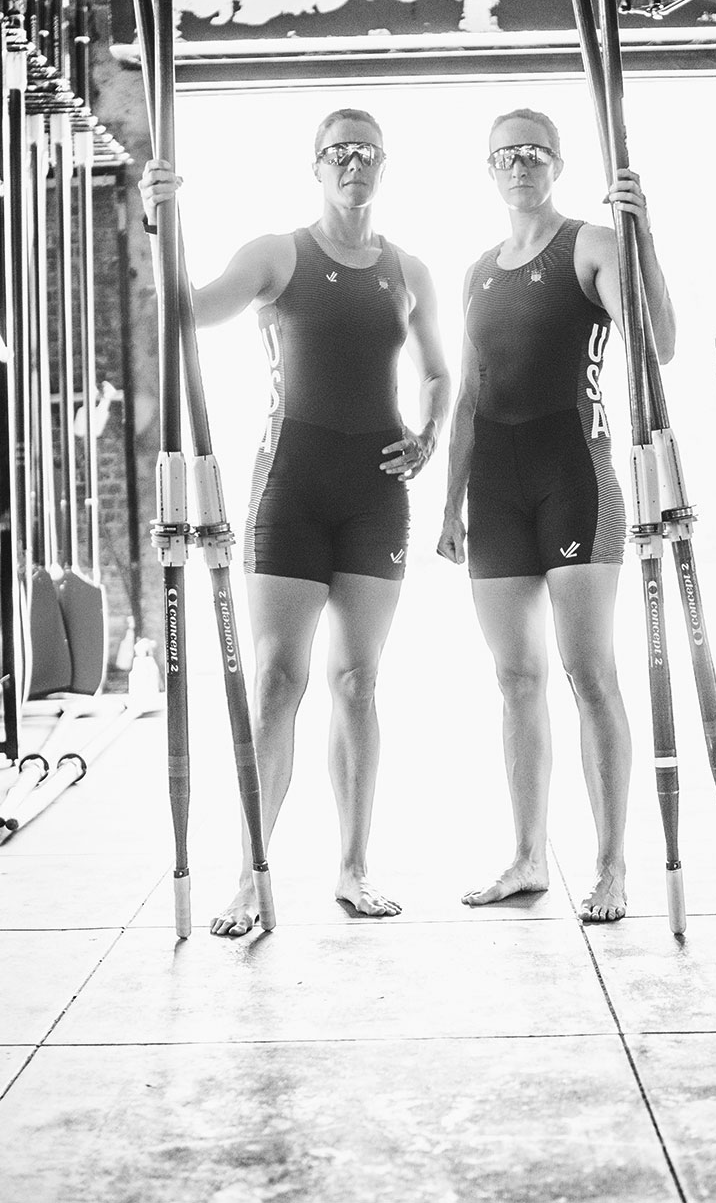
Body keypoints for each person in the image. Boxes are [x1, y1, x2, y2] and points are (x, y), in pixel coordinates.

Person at [141, 110, 452, 937]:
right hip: (291, 488)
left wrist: (429, 437)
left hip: (377, 494)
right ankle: (252, 874)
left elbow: (438, 372)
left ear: (384, 165)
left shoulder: (408, 269)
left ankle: (353, 868)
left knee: (358, 683)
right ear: (316, 166)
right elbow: (187, 311)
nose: (354, 164)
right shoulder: (278, 254)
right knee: (278, 682)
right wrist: (160, 225)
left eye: (367, 152)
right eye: (338, 152)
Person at [437, 108, 674, 924]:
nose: (520, 164)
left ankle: (611, 866)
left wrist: (642, 239)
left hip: (576, 476)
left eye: (535, 151)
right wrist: (450, 502)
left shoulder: (593, 244)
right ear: (489, 168)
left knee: (589, 674)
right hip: (494, 489)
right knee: (516, 680)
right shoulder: (477, 272)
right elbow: (468, 395)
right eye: (506, 153)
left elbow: (658, 343)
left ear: (558, 163)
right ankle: (529, 855)